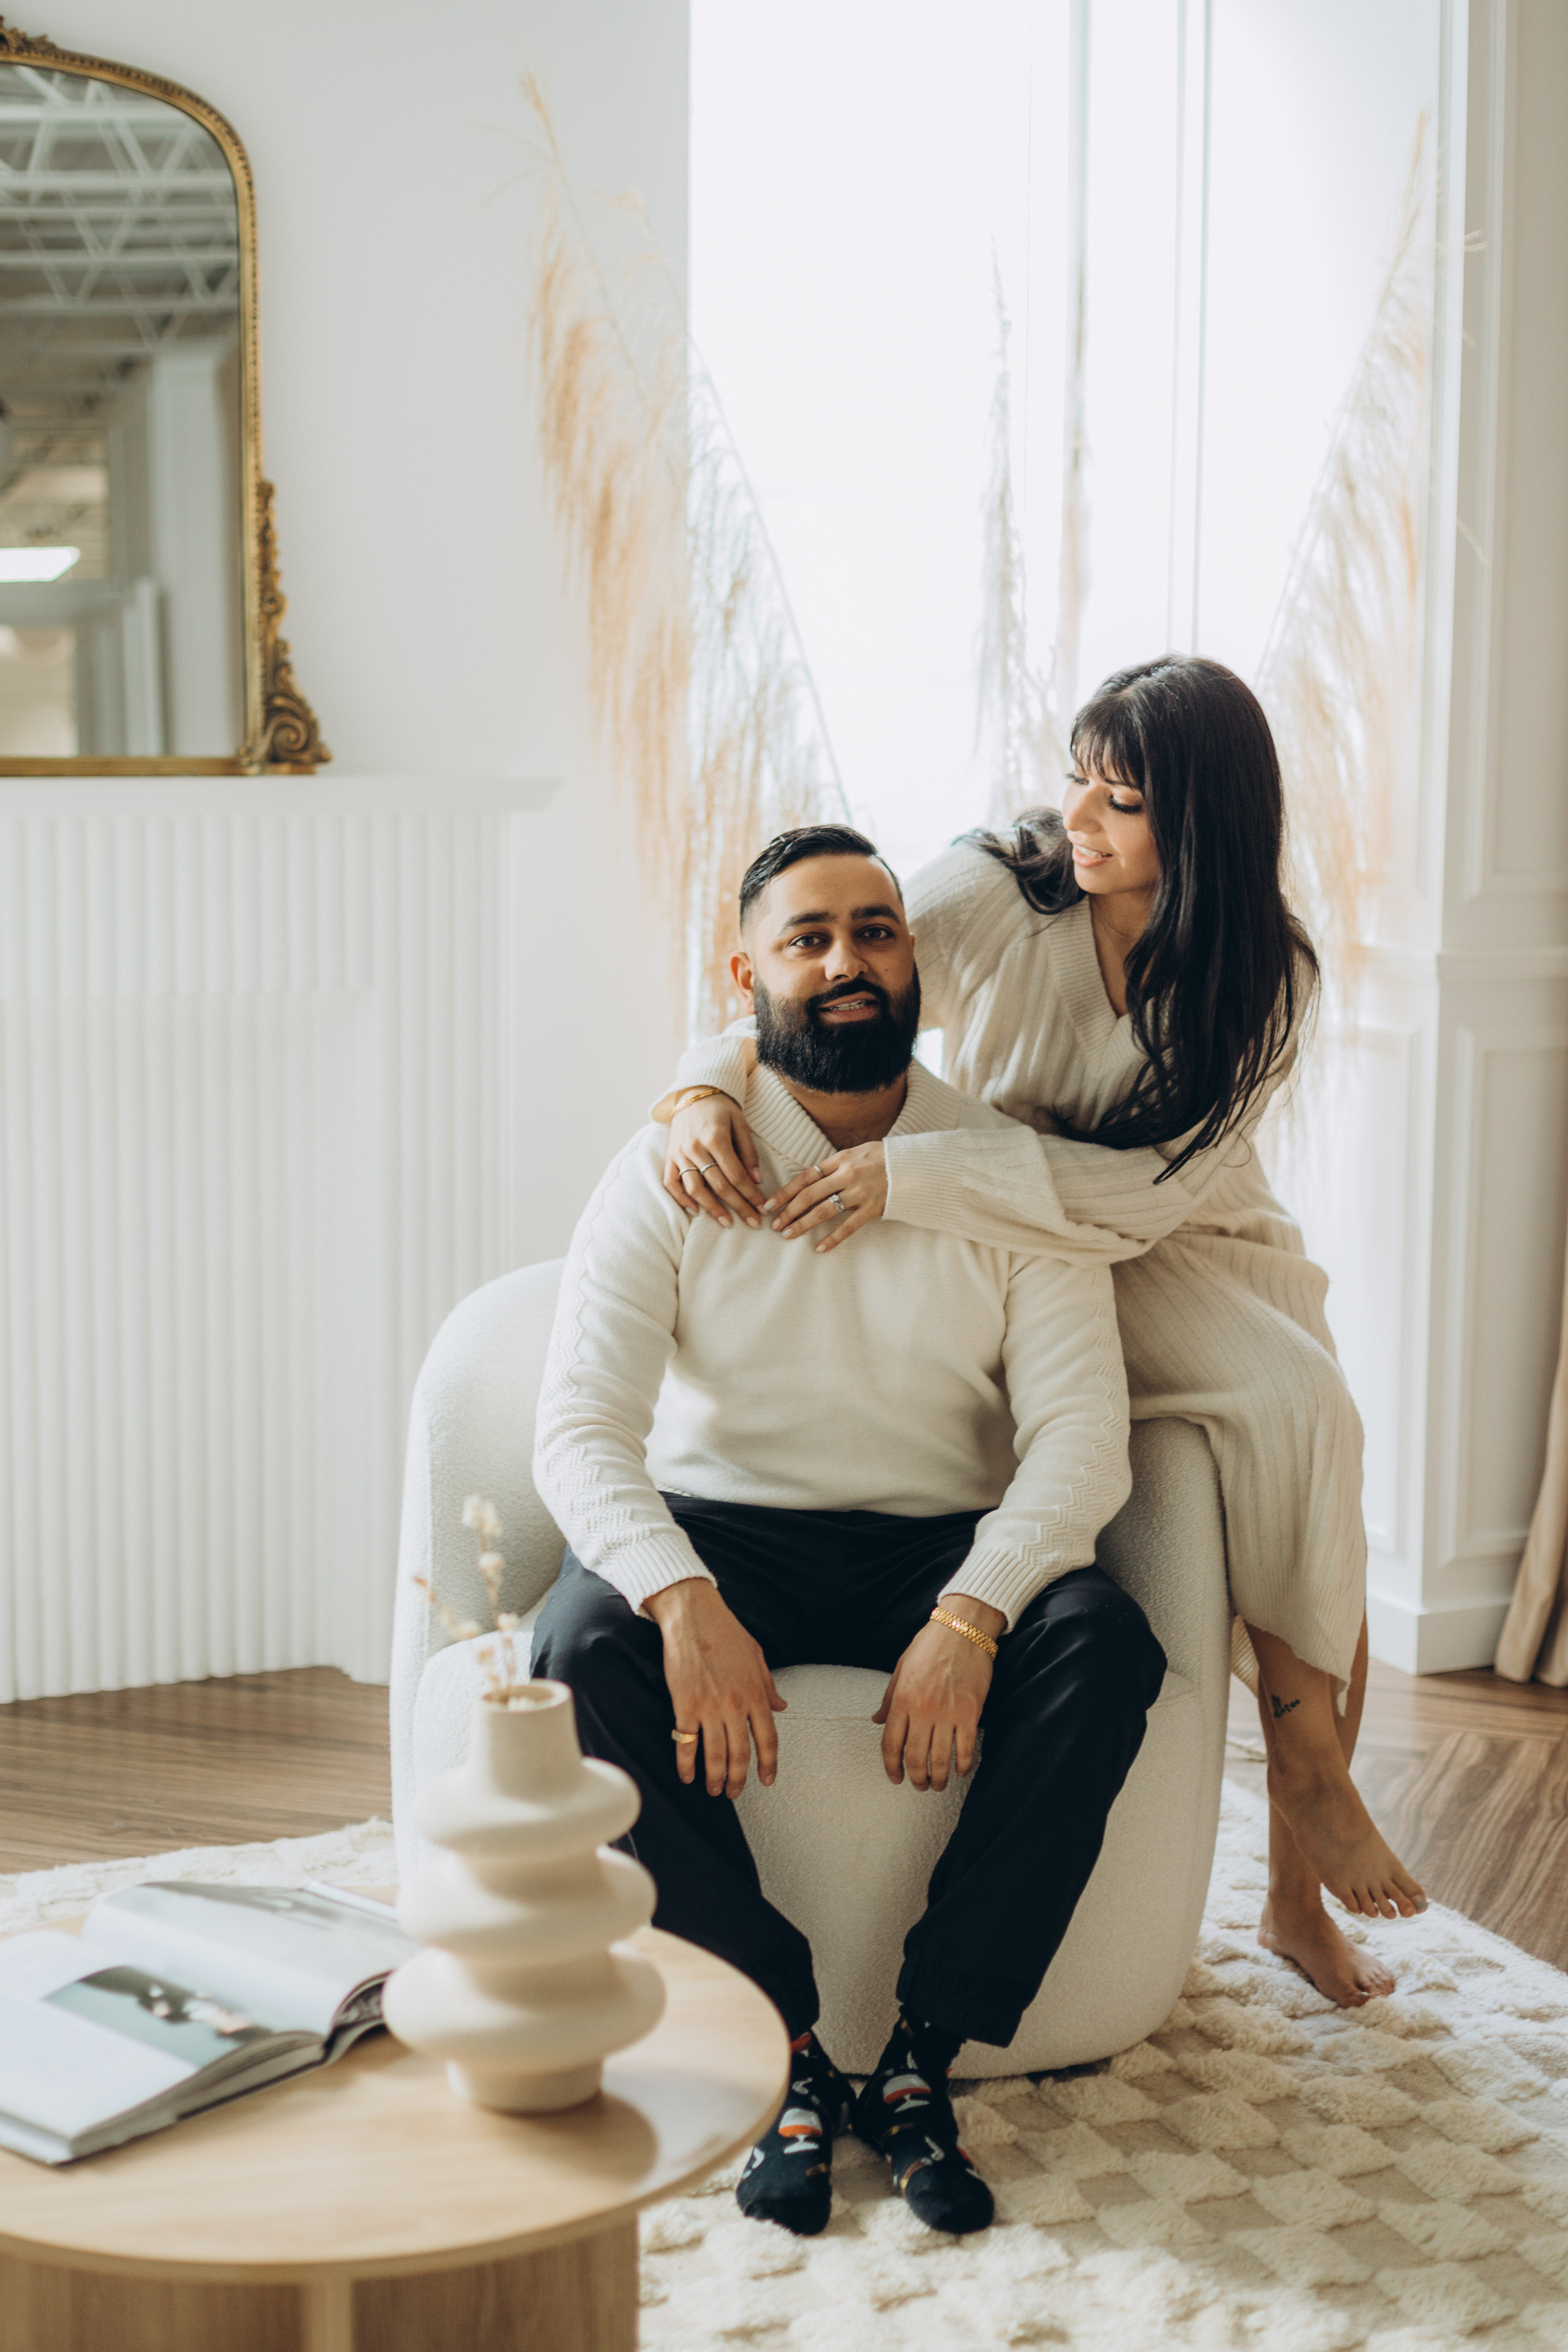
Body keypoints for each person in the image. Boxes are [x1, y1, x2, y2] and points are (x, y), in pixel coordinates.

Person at [658, 657, 1428, 2013]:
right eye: (1075, 773)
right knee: (1299, 1407)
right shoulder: (1000, 884)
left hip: (1177, 1232)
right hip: (1003, 1224)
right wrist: (697, 1089)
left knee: (1309, 1416)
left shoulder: (1265, 968)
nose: (1075, 814)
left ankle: (1295, 1852)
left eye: (1117, 798)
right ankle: (1307, 1784)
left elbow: (1151, 1196)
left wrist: (926, 1179)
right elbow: (821, 977)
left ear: (1197, 827)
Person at [531, 825, 1166, 2240]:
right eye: (806, 937)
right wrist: (680, 1600)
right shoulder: (669, 1166)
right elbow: (577, 1427)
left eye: (873, 931)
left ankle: (920, 2060)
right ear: (744, 969)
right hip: (722, 1531)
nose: (844, 963)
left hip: (931, 1543)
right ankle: (788, 2052)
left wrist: (973, 1611)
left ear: (912, 956)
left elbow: (1080, 1441)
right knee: (578, 1642)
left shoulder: (999, 1170)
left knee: (1105, 1641)